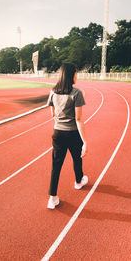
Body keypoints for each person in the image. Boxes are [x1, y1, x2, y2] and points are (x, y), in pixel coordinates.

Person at [47, 63, 88, 209]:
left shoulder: (53, 92)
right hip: (72, 133)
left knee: (56, 166)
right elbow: (78, 119)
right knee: (77, 159)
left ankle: (52, 198)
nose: (77, 76)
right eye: (76, 73)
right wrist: (85, 141)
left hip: (57, 133)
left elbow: (52, 114)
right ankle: (78, 181)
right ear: (71, 75)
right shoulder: (76, 93)